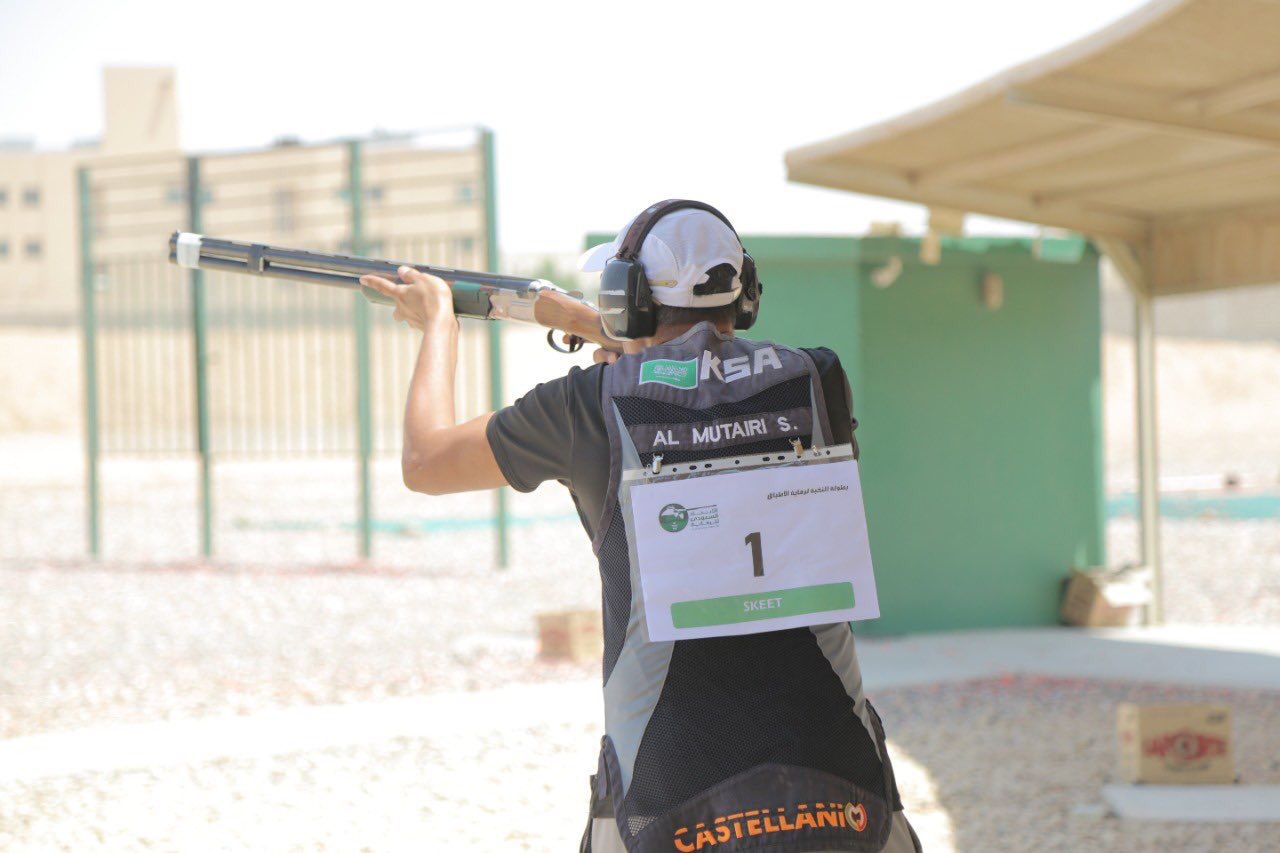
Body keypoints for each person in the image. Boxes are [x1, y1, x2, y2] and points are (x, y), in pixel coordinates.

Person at [362, 201, 920, 853]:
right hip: (847, 800)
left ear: (627, 301)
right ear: (744, 295)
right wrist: (582, 319)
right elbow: (706, 373)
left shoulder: (587, 406)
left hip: (668, 810)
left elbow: (426, 461)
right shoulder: (819, 380)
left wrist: (438, 324)